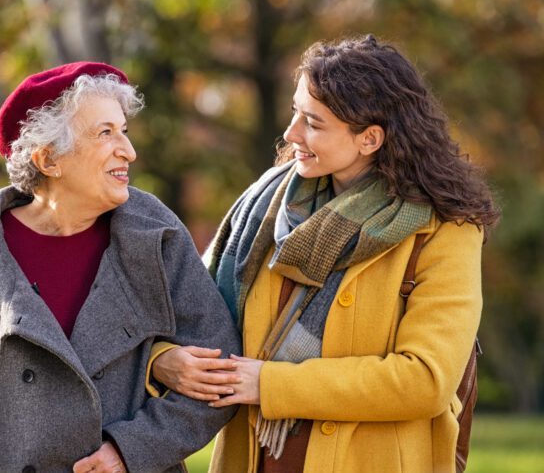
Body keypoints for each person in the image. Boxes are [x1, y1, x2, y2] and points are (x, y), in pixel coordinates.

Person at [0, 62, 240, 473]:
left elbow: (219, 372)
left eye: (124, 131)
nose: (128, 151)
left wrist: (131, 450)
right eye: (105, 133)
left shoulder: (156, 234)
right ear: (49, 159)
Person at [149, 35, 499, 473]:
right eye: (296, 112)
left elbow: (424, 380)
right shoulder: (265, 211)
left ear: (369, 138)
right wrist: (163, 360)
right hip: (254, 459)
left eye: (313, 122)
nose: (291, 133)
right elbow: (187, 317)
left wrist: (272, 384)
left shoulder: (443, 231)